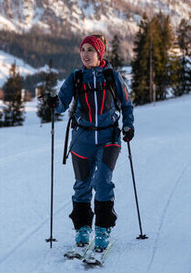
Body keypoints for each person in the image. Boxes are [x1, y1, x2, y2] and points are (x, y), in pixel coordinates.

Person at [44, 34, 134, 252]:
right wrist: (54, 103)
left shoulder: (112, 76)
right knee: (82, 185)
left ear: (99, 53)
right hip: (82, 140)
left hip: (109, 138)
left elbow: (127, 105)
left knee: (103, 181)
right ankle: (83, 228)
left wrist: (128, 126)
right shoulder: (75, 77)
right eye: (82, 49)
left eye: (90, 50)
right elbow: (61, 105)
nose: (85, 54)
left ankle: (103, 229)